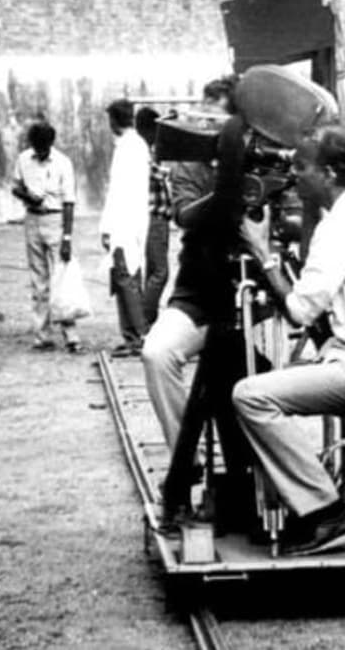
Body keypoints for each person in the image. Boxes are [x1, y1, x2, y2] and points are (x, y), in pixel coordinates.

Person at [233, 125, 345, 556]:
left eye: (302, 167)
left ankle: (325, 511)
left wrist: (262, 253)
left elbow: (299, 311)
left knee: (250, 396)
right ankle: (323, 499)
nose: (293, 176)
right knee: (283, 380)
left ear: (330, 173)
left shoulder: (342, 224)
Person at [142, 77, 235, 449]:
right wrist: (227, 188)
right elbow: (183, 215)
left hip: (257, 296)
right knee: (156, 354)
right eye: (203, 120)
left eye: (216, 122)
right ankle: (185, 454)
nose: (206, 130)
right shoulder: (189, 162)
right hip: (200, 290)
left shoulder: (262, 158)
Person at [10, 121, 82, 353]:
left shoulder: (63, 162)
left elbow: (69, 201)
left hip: (55, 219)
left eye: (44, 148)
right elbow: (15, 186)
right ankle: (42, 336)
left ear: (51, 143)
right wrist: (28, 197)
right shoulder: (23, 159)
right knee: (38, 280)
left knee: (61, 277)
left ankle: (71, 335)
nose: (40, 152)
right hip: (32, 219)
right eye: (36, 147)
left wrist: (67, 237)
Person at [100, 99, 150, 357]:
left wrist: (109, 227)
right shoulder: (131, 145)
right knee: (123, 278)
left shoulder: (131, 147)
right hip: (128, 221)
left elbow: (119, 193)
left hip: (127, 222)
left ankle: (139, 337)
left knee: (126, 277)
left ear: (114, 120)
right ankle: (130, 335)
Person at [136, 107, 171, 326]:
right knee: (160, 272)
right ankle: (144, 319)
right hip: (153, 217)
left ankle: (146, 320)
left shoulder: (148, 150)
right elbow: (157, 173)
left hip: (159, 218)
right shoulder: (141, 152)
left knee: (153, 272)